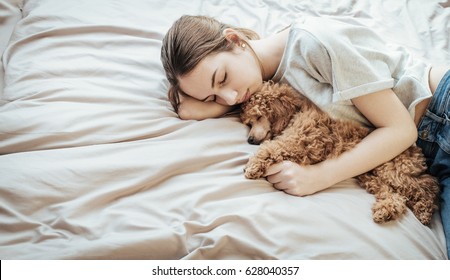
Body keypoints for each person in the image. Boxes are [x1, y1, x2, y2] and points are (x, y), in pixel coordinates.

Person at [161, 15, 449, 257]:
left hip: (441, 112)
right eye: (213, 97)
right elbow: (238, 98)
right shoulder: (257, 79)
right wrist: (204, 107)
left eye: (222, 79)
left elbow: (400, 130)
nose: (230, 97)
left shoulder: (314, 44)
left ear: (234, 40)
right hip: (431, 151)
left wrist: (321, 176)